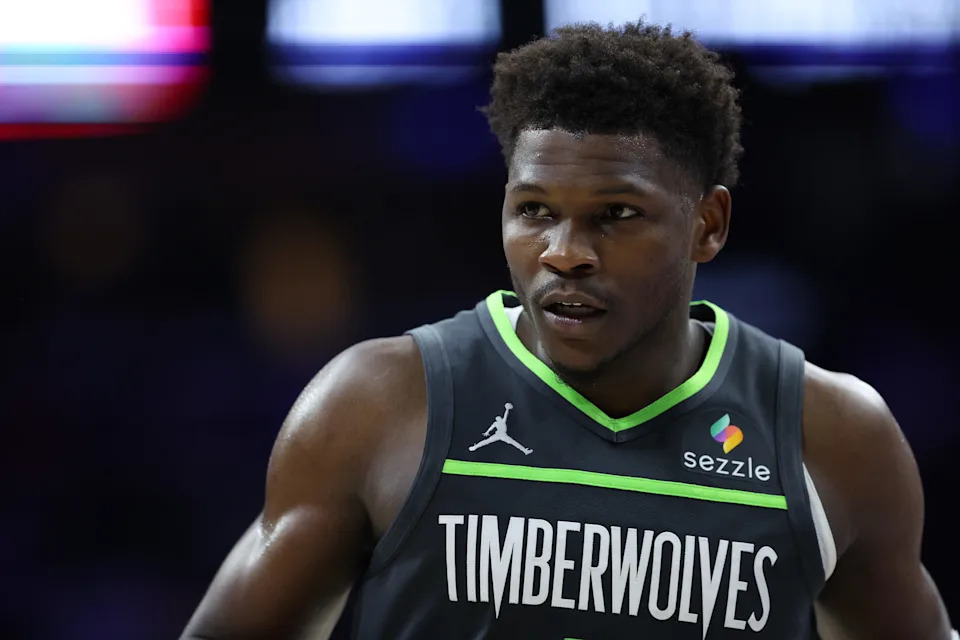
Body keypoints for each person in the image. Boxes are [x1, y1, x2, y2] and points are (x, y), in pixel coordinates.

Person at [181, 20, 956, 639]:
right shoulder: (378, 402)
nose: (564, 253)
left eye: (617, 215)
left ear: (707, 225)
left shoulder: (832, 434)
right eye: (535, 211)